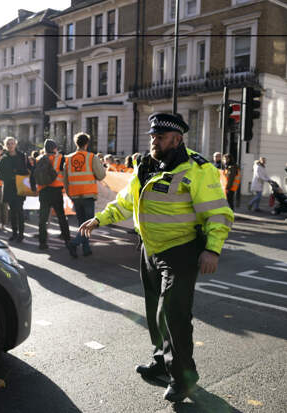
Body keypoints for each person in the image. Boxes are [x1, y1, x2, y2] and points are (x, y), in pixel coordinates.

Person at [79, 112, 234, 402]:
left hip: (181, 251)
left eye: (160, 137)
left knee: (173, 314)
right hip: (149, 250)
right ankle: (163, 363)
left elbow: (218, 213)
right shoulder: (145, 167)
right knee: (155, 314)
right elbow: (126, 202)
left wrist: (212, 249)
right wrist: (100, 219)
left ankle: (184, 377)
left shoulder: (197, 169)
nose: (154, 141)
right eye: (152, 136)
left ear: (177, 139)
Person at [64, 132, 106, 257]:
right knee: (89, 225)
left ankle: (86, 249)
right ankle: (74, 243)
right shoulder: (91, 157)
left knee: (82, 223)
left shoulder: (68, 158)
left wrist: (69, 194)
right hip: (88, 194)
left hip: (75, 195)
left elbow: (66, 180)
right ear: (87, 144)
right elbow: (101, 175)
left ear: (76, 143)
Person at [36, 139, 71, 250]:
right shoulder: (61, 159)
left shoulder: (39, 159)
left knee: (43, 218)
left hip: (43, 191)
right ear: (55, 148)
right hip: (56, 191)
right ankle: (67, 240)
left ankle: (42, 242)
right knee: (61, 217)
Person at [0, 137, 30, 242]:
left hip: (20, 187)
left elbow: (26, 170)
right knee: (12, 212)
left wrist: (19, 175)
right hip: (9, 188)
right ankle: (14, 233)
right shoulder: (3, 158)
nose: (11, 145)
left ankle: (21, 234)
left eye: (12, 143)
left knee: (19, 211)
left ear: (16, 144)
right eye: (8, 144)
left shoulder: (22, 156)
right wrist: (11, 176)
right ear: (6, 146)